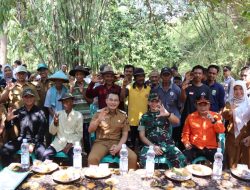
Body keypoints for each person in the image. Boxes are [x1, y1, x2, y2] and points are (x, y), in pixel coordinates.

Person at [88, 92, 137, 169]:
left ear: (118, 102)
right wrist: (98, 120)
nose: (113, 102)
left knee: (133, 157)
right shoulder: (99, 113)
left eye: (115, 100)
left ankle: (129, 178)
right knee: (92, 158)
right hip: (101, 143)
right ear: (106, 101)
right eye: (111, 100)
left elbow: (125, 135)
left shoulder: (123, 115)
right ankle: (95, 178)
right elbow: (90, 130)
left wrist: (118, 147)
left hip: (117, 143)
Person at [0, 88, 47, 166]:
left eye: (31, 96)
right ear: (23, 98)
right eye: (26, 97)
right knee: (4, 151)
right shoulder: (18, 112)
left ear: (34, 98)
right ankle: (12, 170)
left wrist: (33, 144)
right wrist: (7, 120)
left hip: (37, 141)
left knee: (42, 154)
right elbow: (8, 128)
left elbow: (42, 130)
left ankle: (39, 174)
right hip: (21, 140)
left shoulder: (40, 112)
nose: (28, 99)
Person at [138, 93, 186, 168]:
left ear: (160, 102)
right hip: (150, 145)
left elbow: (177, 121)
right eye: (152, 101)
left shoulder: (166, 113)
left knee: (181, 159)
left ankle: (175, 177)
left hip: (167, 144)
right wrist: (153, 146)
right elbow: (142, 136)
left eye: (156, 101)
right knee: (143, 161)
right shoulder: (143, 118)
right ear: (148, 102)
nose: (154, 104)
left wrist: (167, 115)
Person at [181, 94, 225, 163]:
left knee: (221, 162)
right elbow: (185, 133)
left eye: (205, 105)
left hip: (210, 147)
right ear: (196, 105)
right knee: (183, 159)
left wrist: (213, 121)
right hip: (195, 147)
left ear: (209, 105)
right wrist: (186, 142)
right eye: (200, 105)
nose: (203, 108)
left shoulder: (216, 116)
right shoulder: (190, 117)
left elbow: (221, 130)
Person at [42, 93, 83, 164]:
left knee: (75, 160)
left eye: (67, 101)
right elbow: (52, 132)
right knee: (46, 155)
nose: (65, 104)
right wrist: (55, 123)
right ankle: (49, 172)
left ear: (72, 102)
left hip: (72, 143)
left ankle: (73, 174)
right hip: (58, 142)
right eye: (63, 102)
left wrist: (70, 144)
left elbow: (79, 134)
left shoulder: (78, 115)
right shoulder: (58, 114)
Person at [121, 67, 151, 150]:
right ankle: (131, 159)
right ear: (134, 77)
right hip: (131, 122)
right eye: (138, 76)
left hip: (143, 122)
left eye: (142, 76)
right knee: (131, 143)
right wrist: (123, 86)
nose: (141, 78)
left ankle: (141, 160)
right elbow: (122, 98)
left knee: (142, 142)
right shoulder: (129, 87)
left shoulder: (148, 89)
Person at [222, 80, 250, 168]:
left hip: (246, 136)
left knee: (245, 162)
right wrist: (230, 111)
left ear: (245, 90)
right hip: (232, 136)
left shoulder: (249, 103)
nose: (238, 92)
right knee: (231, 159)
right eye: (235, 89)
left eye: (241, 89)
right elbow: (225, 115)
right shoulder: (229, 102)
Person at [151, 67, 182, 146]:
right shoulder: (155, 89)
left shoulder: (177, 89)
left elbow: (181, 105)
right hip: (161, 121)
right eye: (164, 75)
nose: (166, 77)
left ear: (171, 76)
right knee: (161, 142)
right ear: (161, 76)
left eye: (168, 75)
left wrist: (176, 116)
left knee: (174, 143)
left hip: (174, 121)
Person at [69, 65, 92, 154]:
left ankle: (89, 155)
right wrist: (71, 89)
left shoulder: (88, 86)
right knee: (76, 137)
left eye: (80, 74)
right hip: (75, 117)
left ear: (84, 75)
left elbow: (90, 101)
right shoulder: (72, 86)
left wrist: (83, 92)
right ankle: (77, 154)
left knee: (86, 137)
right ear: (75, 76)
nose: (78, 76)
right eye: (77, 74)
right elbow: (69, 101)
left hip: (86, 116)